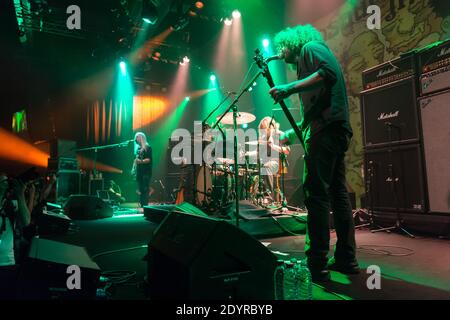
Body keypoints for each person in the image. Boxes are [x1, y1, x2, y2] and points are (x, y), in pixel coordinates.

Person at [269, 24, 359, 281]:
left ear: (292, 42)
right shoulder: (310, 59)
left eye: (281, 47)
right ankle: (346, 258)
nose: (279, 52)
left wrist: (289, 88)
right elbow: (316, 107)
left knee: (316, 194)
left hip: (328, 131)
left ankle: (316, 261)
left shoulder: (311, 47)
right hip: (334, 129)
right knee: (337, 194)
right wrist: (289, 134)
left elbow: (327, 73)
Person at [0, 173, 31, 298]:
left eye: (7, 180)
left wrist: (20, 195)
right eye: (3, 181)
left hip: (8, 264)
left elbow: (26, 221)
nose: (7, 183)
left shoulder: (10, 205)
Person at [257, 116, 290, 204]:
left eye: (264, 128)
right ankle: (256, 198)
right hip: (264, 163)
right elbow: (258, 153)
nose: (263, 131)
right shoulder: (263, 138)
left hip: (277, 162)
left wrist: (273, 146)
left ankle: (268, 196)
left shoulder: (280, 134)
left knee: (266, 167)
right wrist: (247, 154)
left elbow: (287, 150)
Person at [132, 132, 152, 208]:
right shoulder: (138, 149)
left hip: (146, 172)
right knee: (140, 189)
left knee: (145, 189)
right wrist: (134, 167)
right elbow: (136, 160)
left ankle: (145, 206)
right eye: (136, 137)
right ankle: (142, 205)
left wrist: (140, 161)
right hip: (139, 172)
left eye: (138, 137)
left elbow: (149, 160)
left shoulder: (148, 147)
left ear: (142, 138)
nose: (136, 139)